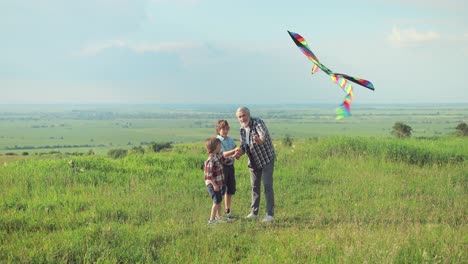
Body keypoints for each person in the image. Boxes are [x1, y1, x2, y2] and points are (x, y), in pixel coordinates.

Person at [234, 107, 276, 222]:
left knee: (267, 186)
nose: (242, 118)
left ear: (249, 115)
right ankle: (254, 212)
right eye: (240, 117)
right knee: (254, 187)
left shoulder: (258, 122)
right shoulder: (242, 130)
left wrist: (259, 140)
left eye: (244, 115)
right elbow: (244, 146)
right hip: (253, 162)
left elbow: (263, 135)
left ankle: (269, 215)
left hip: (266, 159)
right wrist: (239, 153)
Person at [204, 137, 236, 225]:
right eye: (219, 145)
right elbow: (208, 176)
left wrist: (233, 156)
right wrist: (214, 185)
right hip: (212, 184)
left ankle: (219, 217)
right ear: (215, 147)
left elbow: (225, 160)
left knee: (219, 200)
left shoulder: (218, 156)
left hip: (217, 183)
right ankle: (211, 220)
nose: (220, 146)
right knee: (216, 201)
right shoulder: (210, 160)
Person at [215, 120, 237, 219]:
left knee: (230, 189)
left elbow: (235, 148)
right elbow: (223, 154)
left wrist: (238, 153)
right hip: (221, 167)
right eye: (223, 129)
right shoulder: (217, 141)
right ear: (218, 129)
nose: (225, 131)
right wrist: (234, 151)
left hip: (230, 166)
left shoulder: (230, 139)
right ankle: (218, 215)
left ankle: (228, 211)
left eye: (227, 129)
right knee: (221, 190)